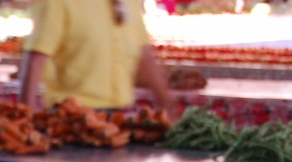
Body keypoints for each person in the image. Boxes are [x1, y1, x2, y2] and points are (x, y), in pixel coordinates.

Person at [17, 0, 175, 116]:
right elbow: (35, 59)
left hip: (121, 114)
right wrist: (26, 118)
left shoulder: (129, 2)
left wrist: (166, 103)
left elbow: (144, 53)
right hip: (70, 117)